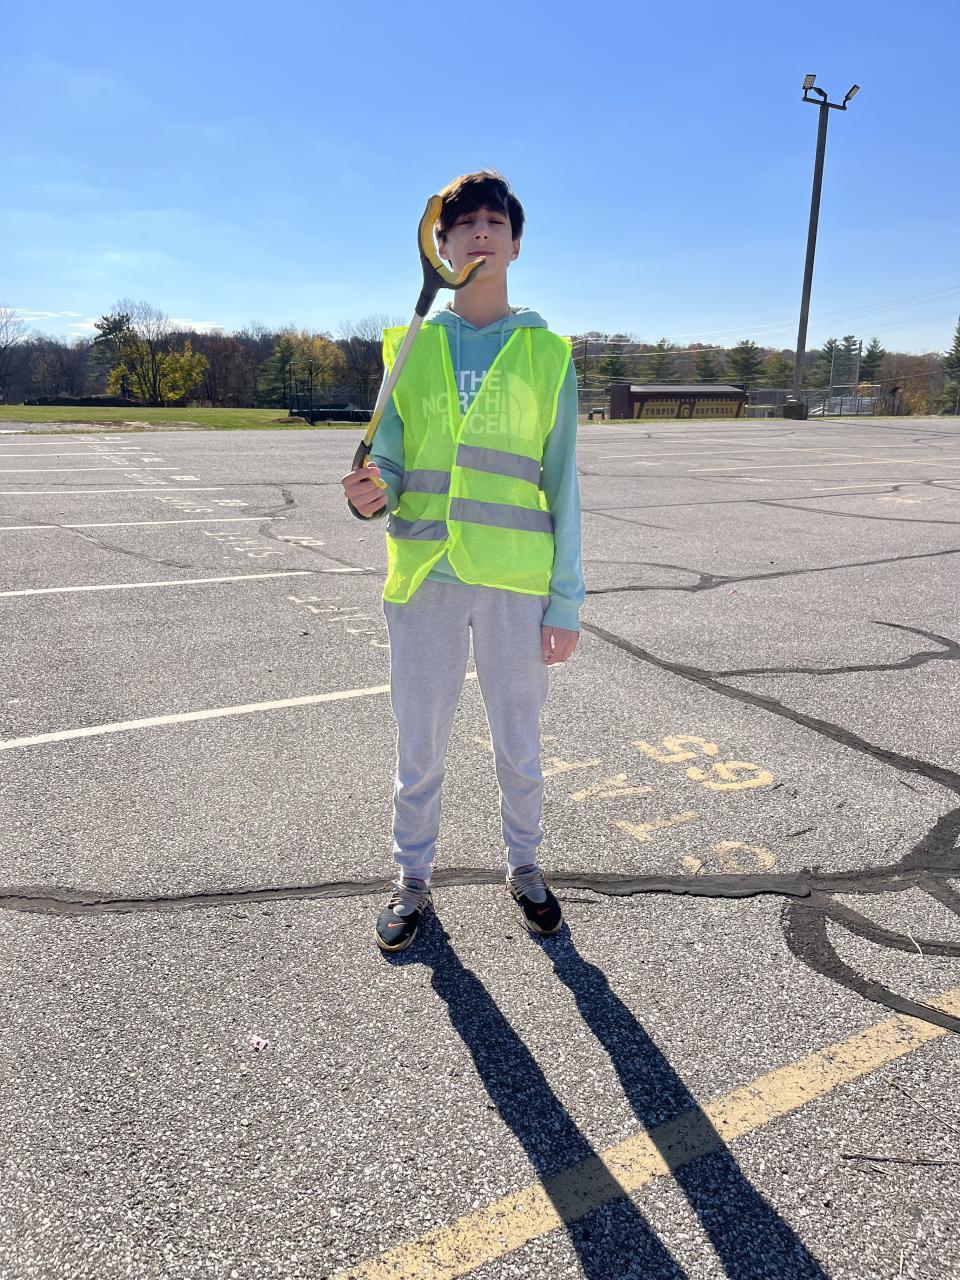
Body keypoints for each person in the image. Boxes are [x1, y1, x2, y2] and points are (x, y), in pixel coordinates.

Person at [340, 169, 584, 953]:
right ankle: (412, 879)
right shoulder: (410, 346)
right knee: (420, 744)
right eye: (465, 222)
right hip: (426, 577)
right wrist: (371, 492)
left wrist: (566, 601)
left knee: (519, 743)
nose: (480, 230)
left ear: (515, 244)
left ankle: (525, 867)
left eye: (494, 221)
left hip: (515, 580)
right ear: (441, 246)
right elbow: (391, 460)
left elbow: (562, 482)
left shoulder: (547, 354)